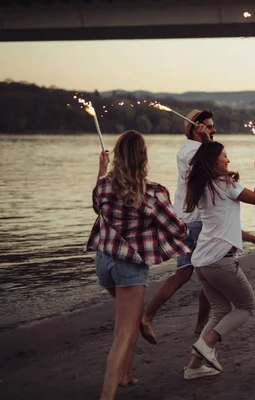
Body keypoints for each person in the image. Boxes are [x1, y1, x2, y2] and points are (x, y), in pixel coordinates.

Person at [86, 130, 190, 400]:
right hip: (129, 267)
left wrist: (101, 171)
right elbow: (178, 230)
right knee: (123, 331)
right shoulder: (152, 194)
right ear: (143, 157)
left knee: (130, 320)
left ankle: (126, 375)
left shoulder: (104, 187)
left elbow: (98, 207)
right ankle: (106, 395)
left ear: (117, 157)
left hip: (104, 264)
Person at [182, 142, 255, 380]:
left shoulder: (202, 186)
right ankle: (208, 343)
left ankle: (193, 366)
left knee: (221, 309)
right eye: (224, 156)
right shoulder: (224, 184)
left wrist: (253, 238)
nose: (228, 160)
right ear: (214, 161)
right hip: (220, 261)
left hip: (202, 261)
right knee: (247, 307)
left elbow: (224, 225)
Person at [140, 109, 216, 344]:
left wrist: (208, 142)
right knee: (194, 272)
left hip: (193, 219)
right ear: (196, 128)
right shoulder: (190, 150)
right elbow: (215, 165)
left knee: (198, 273)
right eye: (209, 126)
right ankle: (148, 315)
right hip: (194, 220)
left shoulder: (196, 148)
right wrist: (207, 142)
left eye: (213, 126)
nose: (213, 130)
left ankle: (200, 323)